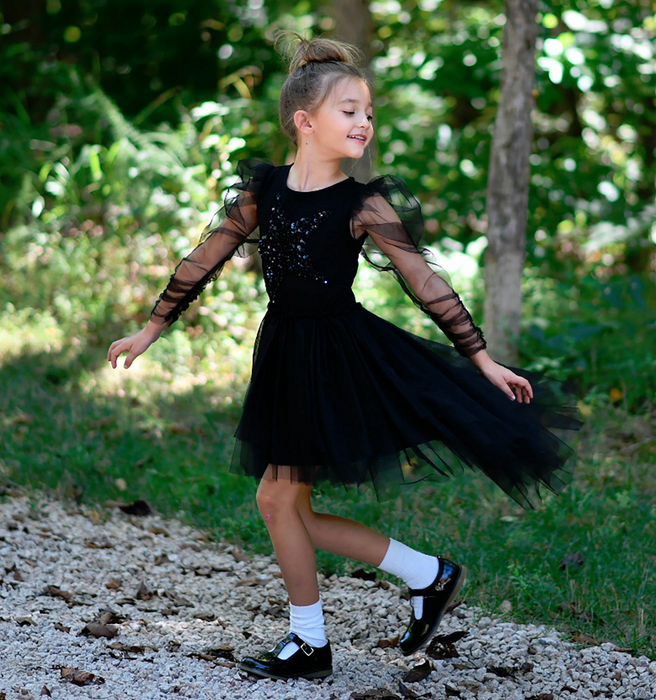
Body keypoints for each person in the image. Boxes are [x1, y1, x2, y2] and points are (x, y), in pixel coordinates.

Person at [105, 32, 581, 681]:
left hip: (336, 356)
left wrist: (483, 360)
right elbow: (204, 259)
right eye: (348, 110)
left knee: (278, 502)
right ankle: (423, 576)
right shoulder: (263, 191)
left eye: (367, 111)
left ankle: (316, 638)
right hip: (284, 352)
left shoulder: (362, 203)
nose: (363, 121)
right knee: (286, 506)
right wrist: (151, 329)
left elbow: (426, 282)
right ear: (305, 121)